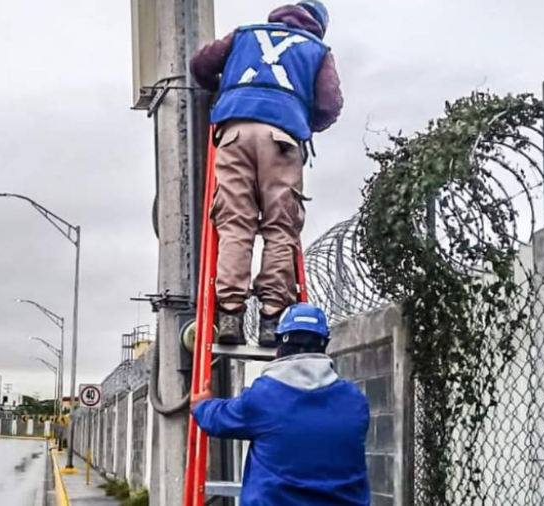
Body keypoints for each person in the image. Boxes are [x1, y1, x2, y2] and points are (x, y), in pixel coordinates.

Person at [190, 1, 343, 346]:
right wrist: (302, 121)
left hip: (234, 133)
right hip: (283, 139)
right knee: (280, 226)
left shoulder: (245, 35)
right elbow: (329, 104)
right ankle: (272, 317)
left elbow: (200, 65)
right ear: (318, 25)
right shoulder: (318, 51)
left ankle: (230, 314)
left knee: (235, 223)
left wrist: (227, 87)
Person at [191, 303, 370, 506]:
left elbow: (218, 419)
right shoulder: (355, 401)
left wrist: (201, 405)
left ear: (280, 346)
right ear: (324, 345)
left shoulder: (264, 397)